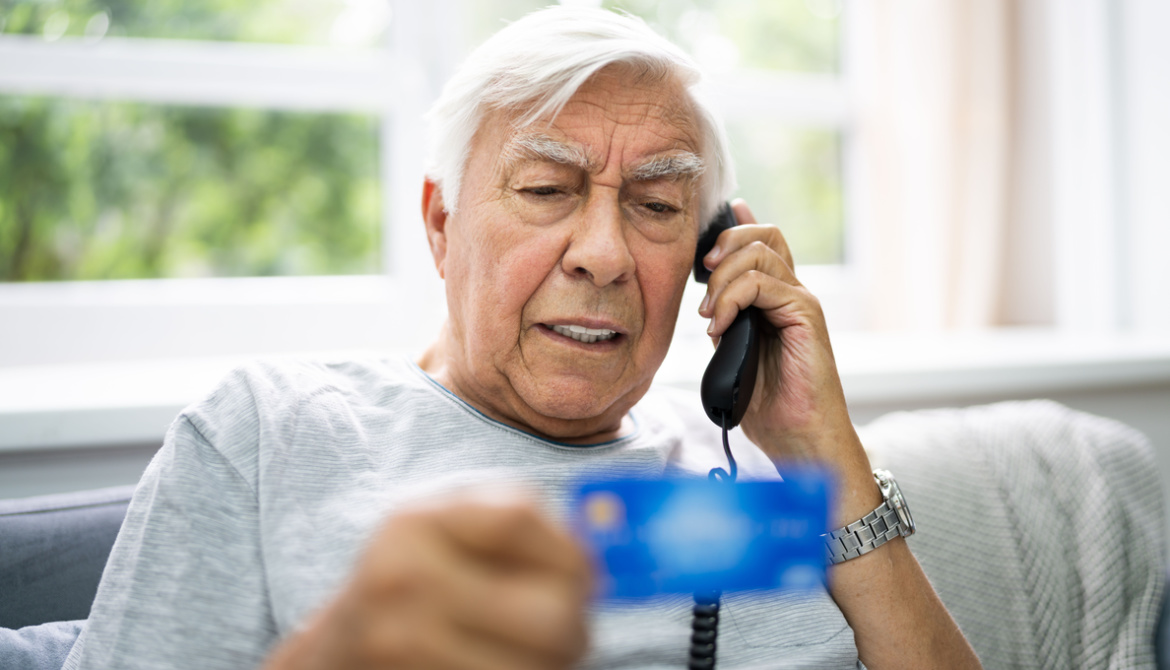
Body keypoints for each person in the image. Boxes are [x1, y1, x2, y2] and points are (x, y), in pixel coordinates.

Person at [63, 7, 981, 670]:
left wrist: (830, 455)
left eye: (659, 207)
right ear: (441, 224)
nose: (603, 254)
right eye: (546, 191)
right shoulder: (270, 429)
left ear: (710, 251)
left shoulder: (752, 479)